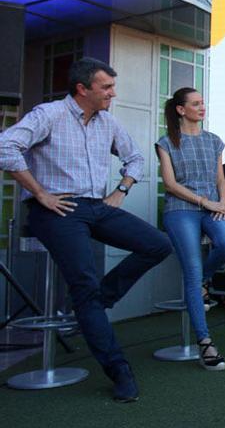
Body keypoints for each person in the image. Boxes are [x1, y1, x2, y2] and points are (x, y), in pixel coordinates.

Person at [0, 58, 172, 402]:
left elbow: (135, 158)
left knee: (157, 244)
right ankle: (119, 370)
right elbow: (5, 146)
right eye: (106, 87)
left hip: (98, 206)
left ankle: (99, 299)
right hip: (58, 209)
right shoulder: (48, 114)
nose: (113, 93)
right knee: (84, 285)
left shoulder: (107, 121)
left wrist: (120, 191)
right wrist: (40, 193)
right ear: (82, 89)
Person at [156, 87, 225, 371]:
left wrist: (223, 202)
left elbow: (220, 179)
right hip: (181, 210)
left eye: (202, 102)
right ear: (181, 110)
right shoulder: (166, 142)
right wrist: (206, 202)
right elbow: (170, 184)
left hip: (212, 206)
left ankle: (203, 281)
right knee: (190, 273)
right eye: (195, 103)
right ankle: (205, 343)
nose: (202, 107)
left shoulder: (214, 141)